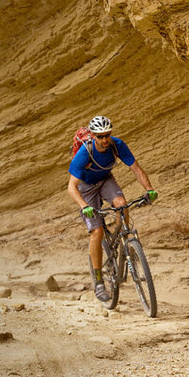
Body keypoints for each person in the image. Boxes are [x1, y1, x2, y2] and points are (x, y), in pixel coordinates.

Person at [67, 115, 158, 302]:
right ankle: (99, 280)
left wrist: (149, 189)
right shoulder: (84, 153)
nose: (104, 140)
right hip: (86, 188)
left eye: (107, 135)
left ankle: (120, 236)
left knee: (122, 204)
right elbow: (71, 187)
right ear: (93, 136)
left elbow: (136, 168)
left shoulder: (117, 145)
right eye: (100, 136)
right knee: (97, 232)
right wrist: (84, 206)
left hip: (105, 180)